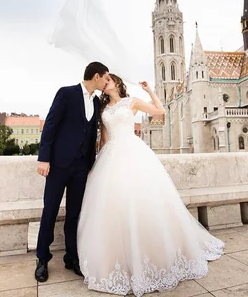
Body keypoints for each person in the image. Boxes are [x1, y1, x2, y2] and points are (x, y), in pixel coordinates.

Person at [77, 74, 224, 296]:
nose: (105, 84)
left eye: (108, 80)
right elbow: (104, 139)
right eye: (103, 81)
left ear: (116, 83)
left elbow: (160, 112)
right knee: (112, 206)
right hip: (111, 156)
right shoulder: (102, 108)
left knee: (145, 200)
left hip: (134, 153)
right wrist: (96, 162)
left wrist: (150, 91)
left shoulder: (132, 102)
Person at [35, 62, 110, 282]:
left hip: (80, 167)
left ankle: (72, 257)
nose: (106, 82)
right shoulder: (66, 93)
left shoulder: (96, 102)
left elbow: (91, 135)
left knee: (75, 214)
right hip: (58, 164)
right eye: (105, 78)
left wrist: (90, 164)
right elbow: (50, 125)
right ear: (96, 76)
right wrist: (44, 158)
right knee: (50, 210)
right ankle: (42, 259)